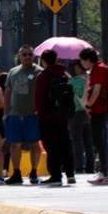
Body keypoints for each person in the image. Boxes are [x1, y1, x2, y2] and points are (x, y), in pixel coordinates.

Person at [34, 49, 75, 186]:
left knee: (51, 146)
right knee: (65, 144)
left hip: (47, 117)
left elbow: (39, 98)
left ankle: (56, 175)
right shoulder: (64, 74)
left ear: (43, 61)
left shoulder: (43, 76)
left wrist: (39, 112)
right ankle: (70, 173)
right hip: (62, 116)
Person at [4, 46, 43, 185]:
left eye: (30, 54)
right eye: (24, 54)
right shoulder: (12, 72)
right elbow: (8, 92)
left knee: (35, 144)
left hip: (32, 115)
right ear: (19, 56)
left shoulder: (39, 71)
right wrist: (6, 112)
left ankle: (34, 172)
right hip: (15, 114)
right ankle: (16, 173)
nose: (27, 57)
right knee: (15, 145)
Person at [80, 47, 108, 185]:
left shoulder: (99, 69)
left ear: (88, 60)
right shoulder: (95, 70)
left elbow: (97, 90)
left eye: (82, 60)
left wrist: (88, 105)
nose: (82, 63)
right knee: (98, 142)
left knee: (100, 142)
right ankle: (102, 172)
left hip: (100, 110)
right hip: (97, 110)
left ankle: (104, 174)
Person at [68, 60, 95, 174]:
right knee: (88, 141)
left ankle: (79, 166)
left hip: (75, 113)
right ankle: (90, 166)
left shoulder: (72, 81)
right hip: (88, 112)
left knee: (77, 141)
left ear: (79, 68)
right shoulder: (89, 80)